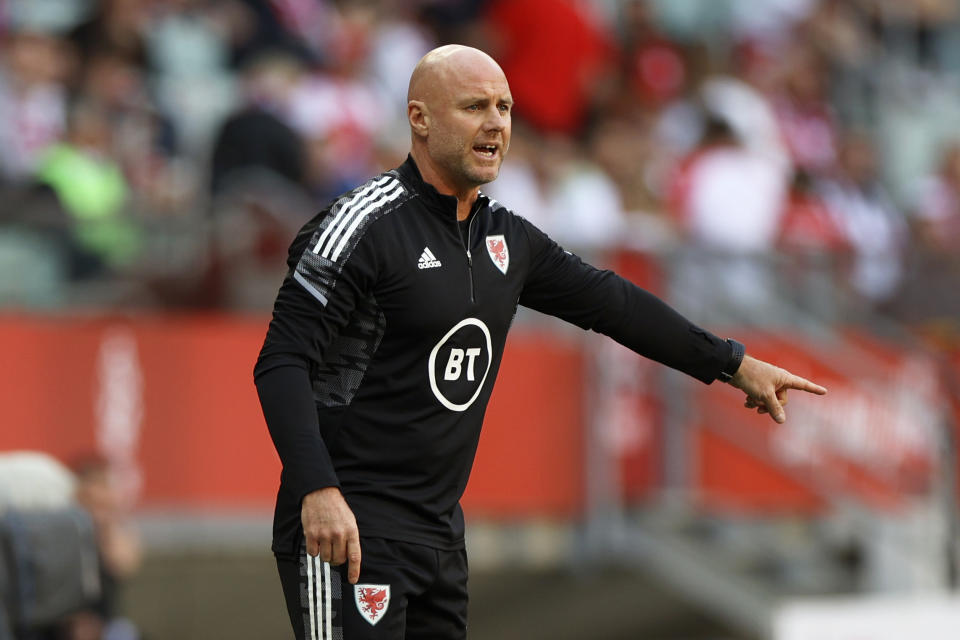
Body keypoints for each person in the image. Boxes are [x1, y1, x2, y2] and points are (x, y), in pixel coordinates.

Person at [254, 44, 827, 640]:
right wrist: (317, 489)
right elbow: (282, 361)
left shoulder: (508, 239)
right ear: (420, 118)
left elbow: (615, 305)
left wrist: (733, 363)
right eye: (474, 106)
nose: (496, 123)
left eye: (503, 107)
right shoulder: (362, 225)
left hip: (439, 536)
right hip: (348, 525)